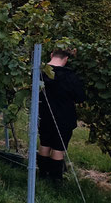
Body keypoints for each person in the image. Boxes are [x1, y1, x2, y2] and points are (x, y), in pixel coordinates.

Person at [37, 48, 85, 182]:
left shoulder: (39, 72)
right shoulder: (69, 76)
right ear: (66, 59)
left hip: (43, 114)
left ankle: (42, 175)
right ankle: (55, 179)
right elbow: (80, 97)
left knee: (44, 142)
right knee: (58, 147)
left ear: (52, 55)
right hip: (64, 117)